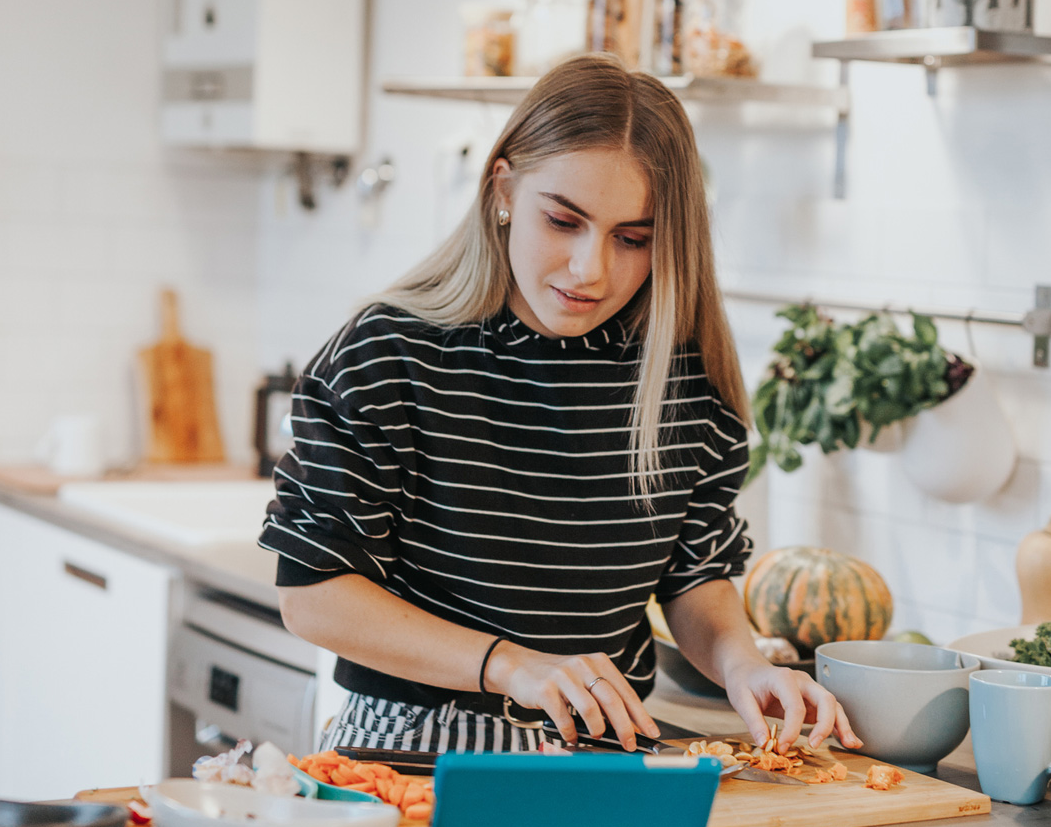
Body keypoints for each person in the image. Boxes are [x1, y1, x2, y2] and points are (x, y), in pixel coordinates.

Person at [259, 53, 861, 757]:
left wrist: (745, 665)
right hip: (412, 752)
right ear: (504, 189)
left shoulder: (681, 377)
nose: (591, 269)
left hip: (606, 754)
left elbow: (694, 577)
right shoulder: (390, 354)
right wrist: (513, 666)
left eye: (633, 239)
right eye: (563, 221)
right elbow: (312, 593)